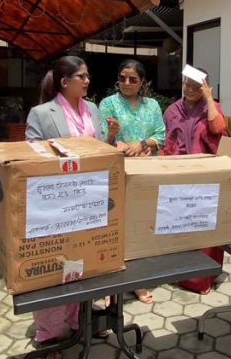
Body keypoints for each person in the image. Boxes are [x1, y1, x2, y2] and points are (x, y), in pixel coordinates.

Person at [25, 56, 115, 352]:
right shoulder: (41, 113)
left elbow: (103, 149)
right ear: (65, 82)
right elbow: (31, 154)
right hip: (57, 201)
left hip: (91, 198)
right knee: (56, 264)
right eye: (82, 76)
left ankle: (81, 322)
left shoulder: (93, 109)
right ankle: (50, 334)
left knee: (84, 260)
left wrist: (111, 138)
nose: (88, 81)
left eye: (88, 76)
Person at [99, 59, 165, 303]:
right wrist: (118, 142)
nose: (126, 83)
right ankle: (107, 285)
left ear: (142, 83)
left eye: (133, 79)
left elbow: (162, 135)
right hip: (116, 173)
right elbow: (100, 136)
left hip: (146, 174)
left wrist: (145, 143)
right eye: (123, 77)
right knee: (112, 225)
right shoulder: (108, 104)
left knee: (140, 226)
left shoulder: (153, 106)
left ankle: (137, 281)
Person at [162, 68, 228, 293]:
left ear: (205, 87)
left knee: (205, 226)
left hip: (206, 176)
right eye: (186, 84)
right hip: (178, 175)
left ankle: (203, 279)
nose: (189, 90)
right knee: (180, 226)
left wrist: (209, 98)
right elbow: (167, 142)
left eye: (196, 86)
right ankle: (180, 274)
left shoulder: (212, 107)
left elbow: (217, 128)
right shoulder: (172, 110)